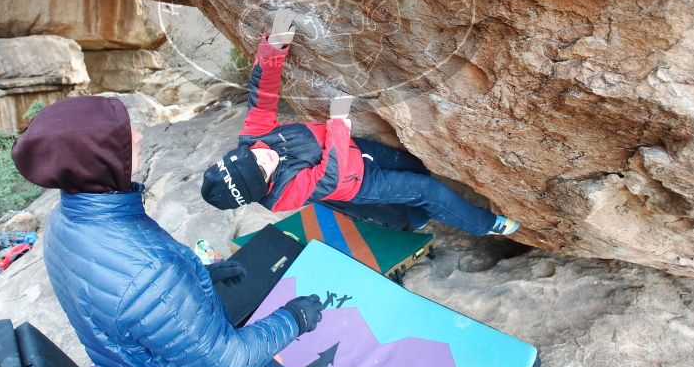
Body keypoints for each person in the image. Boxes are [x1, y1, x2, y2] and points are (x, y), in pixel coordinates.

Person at [12, 95, 322, 367]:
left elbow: (118, 301)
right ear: (96, 158)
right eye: (123, 136)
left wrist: (196, 277)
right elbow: (230, 363)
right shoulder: (150, 274)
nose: (139, 135)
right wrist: (294, 318)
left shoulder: (63, 222)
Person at [201, 15, 520, 237]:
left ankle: (419, 217)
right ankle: (484, 224)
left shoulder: (255, 139)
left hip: (357, 150)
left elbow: (263, 95)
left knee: (414, 167)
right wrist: (338, 122)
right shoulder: (283, 195)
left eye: (254, 155)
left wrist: (273, 48)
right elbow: (332, 175)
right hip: (356, 182)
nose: (264, 156)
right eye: (262, 169)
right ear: (262, 188)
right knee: (427, 190)